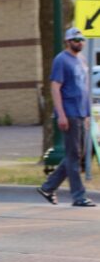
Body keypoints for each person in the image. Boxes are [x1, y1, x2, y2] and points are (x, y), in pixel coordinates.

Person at [37, 28, 96, 207]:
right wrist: (61, 114)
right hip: (68, 113)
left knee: (76, 154)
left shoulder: (82, 60)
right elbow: (55, 87)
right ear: (67, 41)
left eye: (81, 39)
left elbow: (85, 89)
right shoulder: (61, 60)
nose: (79, 42)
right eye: (76, 39)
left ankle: (48, 187)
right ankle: (78, 196)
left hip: (80, 113)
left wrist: (87, 114)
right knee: (73, 156)